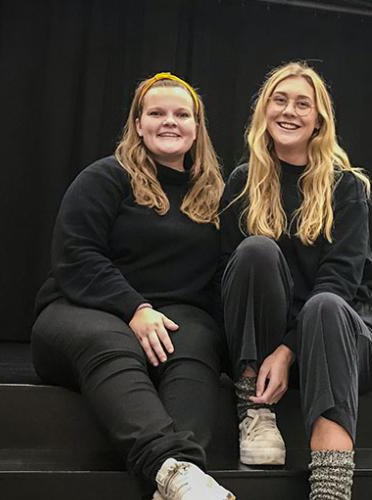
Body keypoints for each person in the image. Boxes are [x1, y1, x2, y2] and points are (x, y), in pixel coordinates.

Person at [31, 72, 234, 500]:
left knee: (198, 342)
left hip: (174, 318)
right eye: (157, 113)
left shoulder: (215, 196)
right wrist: (135, 308)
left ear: (197, 127)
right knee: (113, 341)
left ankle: (181, 486)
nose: (169, 121)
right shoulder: (105, 177)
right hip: (82, 309)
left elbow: (220, 277)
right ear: (138, 124)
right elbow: (76, 255)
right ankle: (170, 468)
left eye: (182, 114)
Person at [219, 62, 372, 500]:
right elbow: (228, 279)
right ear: (264, 111)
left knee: (325, 305)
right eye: (280, 100)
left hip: (342, 341)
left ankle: (331, 491)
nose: (289, 111)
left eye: (302, 104)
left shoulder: (346, 186)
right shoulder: (242, 183)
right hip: (263, 353)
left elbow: (340, 280)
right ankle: (254, 409)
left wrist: (288, 350)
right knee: (255, 251)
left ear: (319, 121)